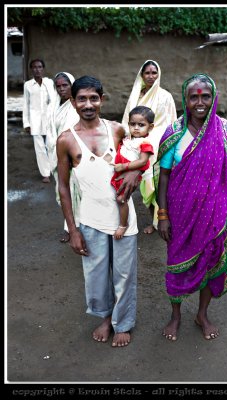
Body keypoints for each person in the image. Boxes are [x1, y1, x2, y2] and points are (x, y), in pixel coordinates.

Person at [154, 73, 227, 342]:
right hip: (181, 216)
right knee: (177, 264)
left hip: (216, 215)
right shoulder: (174, 132)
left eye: (205, 96)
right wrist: (162, 215)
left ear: (213, 97)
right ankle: (176, 316)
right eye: (193, 96)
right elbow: (164, 176)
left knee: (211, 262)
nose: (200, 102)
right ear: (185, 99)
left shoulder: (226, 130)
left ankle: (202, 314)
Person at [56, 75, 142, 347]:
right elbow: (63, 187)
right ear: (73, 101)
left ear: (102, 100)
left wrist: (136, 173)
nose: (88, 104)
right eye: (82, 98)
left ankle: (123, 323)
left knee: (124, 274)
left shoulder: (117, 130)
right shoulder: (66, 140)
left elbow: (139, 155)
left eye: (94, 98)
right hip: (90, 219)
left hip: (122, 218)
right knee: (95, 273)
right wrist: (72, 230)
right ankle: (105, 318)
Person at [122, 60, 177, 234]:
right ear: (142, 75)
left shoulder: (165, 96)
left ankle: (160, 220)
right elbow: (127, 121)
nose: (151, 76)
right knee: (146, 188)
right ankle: (151, 217)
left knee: (159, 183)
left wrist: (165, 142)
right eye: (147, 73)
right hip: (137, 145)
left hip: (158, 146)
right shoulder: (135, 95)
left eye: (154, 73)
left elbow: (172, 122)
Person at [111, 105, 154, 240]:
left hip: (127, 175)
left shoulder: (145, 143)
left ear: (150, 127)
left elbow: (142, 162)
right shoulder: (128, 139)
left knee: (121, 199)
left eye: (141, 125)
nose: (136, 128)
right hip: (118, 174)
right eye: (132, 124)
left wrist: (123, 166)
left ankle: (123, 225)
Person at [47, 72, 80, 243]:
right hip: (57, 156)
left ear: (71, 85)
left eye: (64, 85)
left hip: (72, 157)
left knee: (75, 192)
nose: (61, 89)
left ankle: (73, 228)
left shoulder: (75, 106)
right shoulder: (55, 106)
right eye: (58, 86)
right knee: (63, 192)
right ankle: (71, 225)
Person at [23, 59, 56, 183]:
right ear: (31, 69)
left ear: (43, 68)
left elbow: (54, 102)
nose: (37, 69)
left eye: (40, 67)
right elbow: (25, 104)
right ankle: (45, 174)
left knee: (51, 145)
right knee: (40, 148)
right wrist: (26, 123)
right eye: (34, 67)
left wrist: (56, 118)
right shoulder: (28, 85)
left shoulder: (49, 82)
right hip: (34, 120)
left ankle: (54, 169)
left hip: (49, 119)